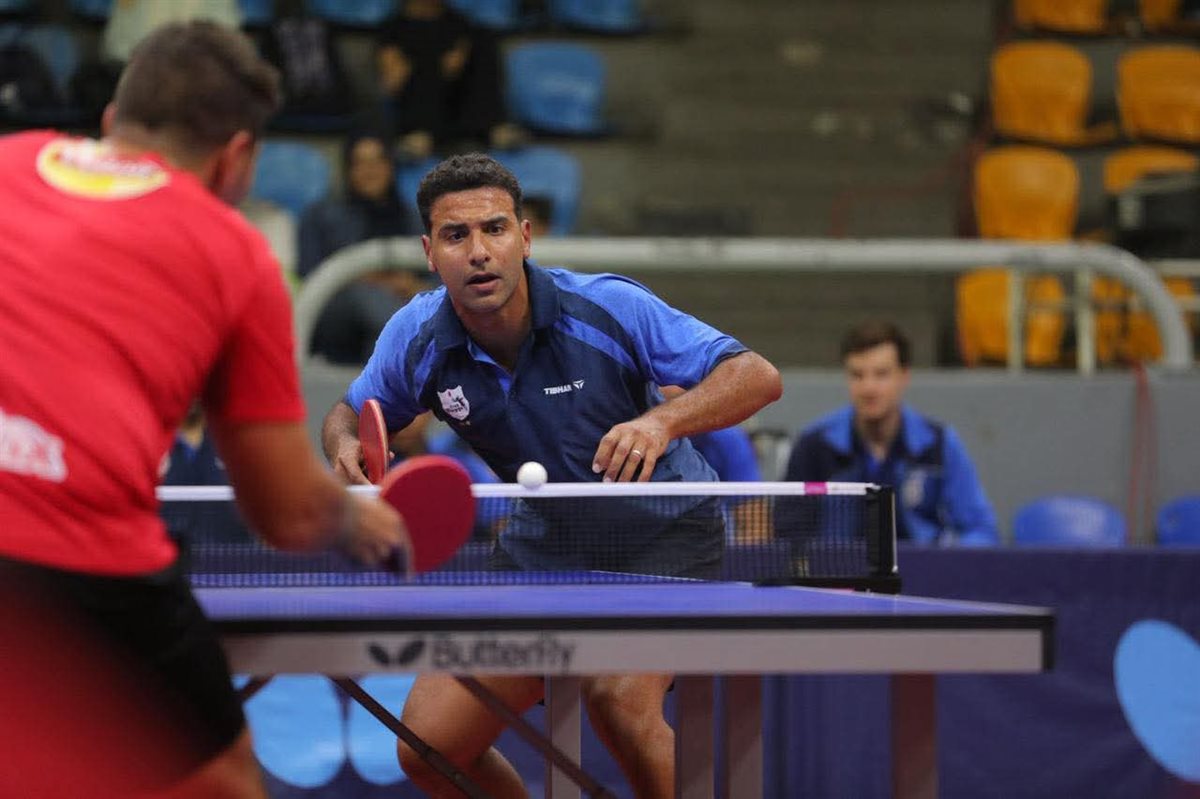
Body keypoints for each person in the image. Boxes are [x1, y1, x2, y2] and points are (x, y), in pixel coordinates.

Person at [0, 21, 408, 799]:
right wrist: (358, 520)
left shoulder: (6, 160)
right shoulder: (235, 252)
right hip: (75, 558)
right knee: (222, 779)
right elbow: (287, 513)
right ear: (237, 156)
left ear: (114, 115)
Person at [320, 153, 782, 798]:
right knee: (429, 745)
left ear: (525, 236)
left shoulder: (607, 306)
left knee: (618, 697)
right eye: (456, 235)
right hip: (546, 543)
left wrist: (661, 422)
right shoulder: (416, 337)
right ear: (430, 253)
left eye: (495, 229)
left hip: (663, 533)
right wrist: (345, 447)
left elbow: (757, 376)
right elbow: (349, 412)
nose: (479, 252)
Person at [781, 321, 999, 546]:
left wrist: (946, 558)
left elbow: (981, 531)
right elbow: (788, 534)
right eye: (857, 375)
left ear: (904, 376)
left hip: (924, 566)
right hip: (839, 567)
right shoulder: (813, 446)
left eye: (881, 374)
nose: (869, 388)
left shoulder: (939, 444)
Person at [299, 128, 427, 364]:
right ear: (348, 169)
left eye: (378, 161)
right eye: (361, 163)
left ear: (390, 166)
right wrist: (376, 282)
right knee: (372, 303)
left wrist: (413, 286)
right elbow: (309, 276)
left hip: (403, 304)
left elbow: (439, 276)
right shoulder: (320, 216)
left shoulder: (414, 217)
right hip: (337, 313)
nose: (371, 171)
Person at [374, 0, 523, 160]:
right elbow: (391, 84)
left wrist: (456, 62)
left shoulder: (460, 23)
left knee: (481, 42)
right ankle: (421, 133)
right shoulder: (393, 29)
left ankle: (492, 127)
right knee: (426, 60)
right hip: (418, 107)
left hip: (462, 106)